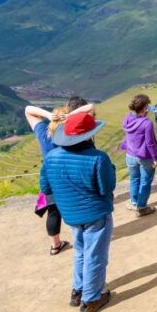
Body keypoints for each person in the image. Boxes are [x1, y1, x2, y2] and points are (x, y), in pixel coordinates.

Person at [40, 112, 115, 312]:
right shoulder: (98, 158)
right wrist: (110, 170)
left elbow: (46, 188)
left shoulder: (51, 157)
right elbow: (106, 188)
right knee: (95, 255)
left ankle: (78, 291)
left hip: (70, 213)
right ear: (89, 135)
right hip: (96, 213)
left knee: (81, 251)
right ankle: (90, 300)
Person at [26, 101, 94, 255]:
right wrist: (70, 115)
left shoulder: (44, 134)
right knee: (79, 209)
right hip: (73, 180)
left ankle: (55, 245)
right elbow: (90, 107)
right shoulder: (73, 137)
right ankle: (83, 241)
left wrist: (48, 115)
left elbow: (28, 110)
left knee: (53, 212)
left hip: (52, 181)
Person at [120, 94, 157, 217]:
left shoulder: (127, 118)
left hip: (130, 155)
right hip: (144, 156)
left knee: (134, 179)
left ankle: (133, 202)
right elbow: (150, 143)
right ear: (145, 107)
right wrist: (155, 158)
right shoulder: (147, 123)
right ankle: (142, 207)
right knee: (145, 181)